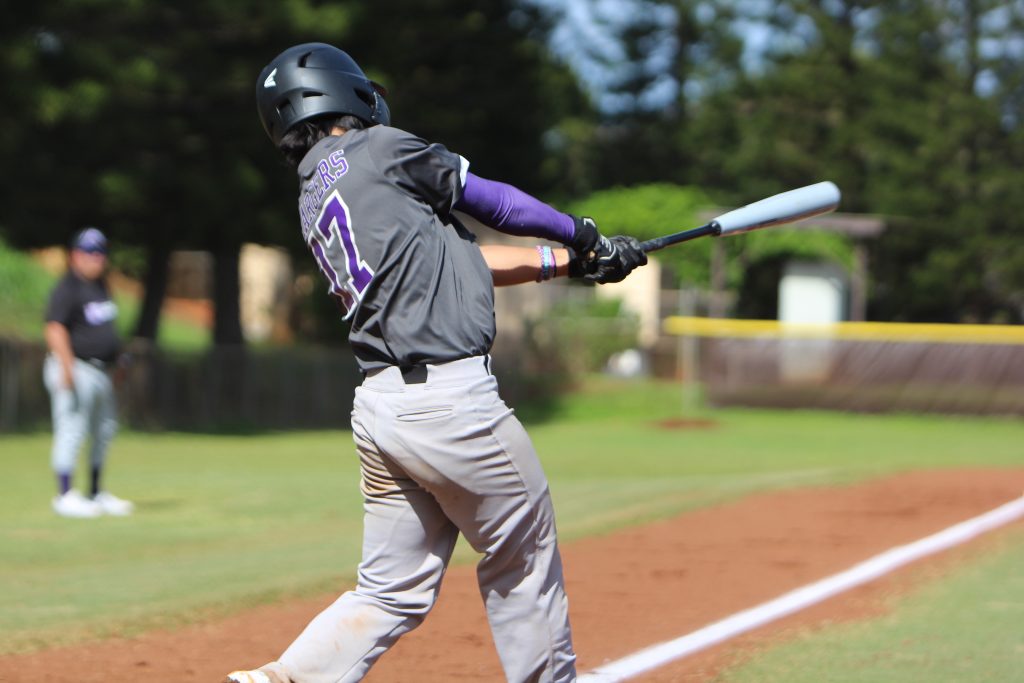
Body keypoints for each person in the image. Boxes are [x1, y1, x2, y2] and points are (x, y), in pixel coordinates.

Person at [226, 43, 646, 683]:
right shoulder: (379, 149)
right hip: (452, 405)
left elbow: (463, 263)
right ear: (347, 95)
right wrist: (580, 232)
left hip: (382, 411)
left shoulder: (319, 192)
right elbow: (495, 202)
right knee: (523, 554)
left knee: (389, 592)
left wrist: (570, 265)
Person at [43, 227, 134, 518]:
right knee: (72, 429)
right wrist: (66, 366)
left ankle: (95, 492)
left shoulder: (101, 286)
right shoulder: (67, 287)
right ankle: (65, 494)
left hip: (101, 371)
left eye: (100, 253)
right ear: (75, 255)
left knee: (104, 431)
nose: (96, 258)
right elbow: (54, 327)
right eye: (89, 252)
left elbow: (107, 329)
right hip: (76, 367)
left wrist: (119, 361)